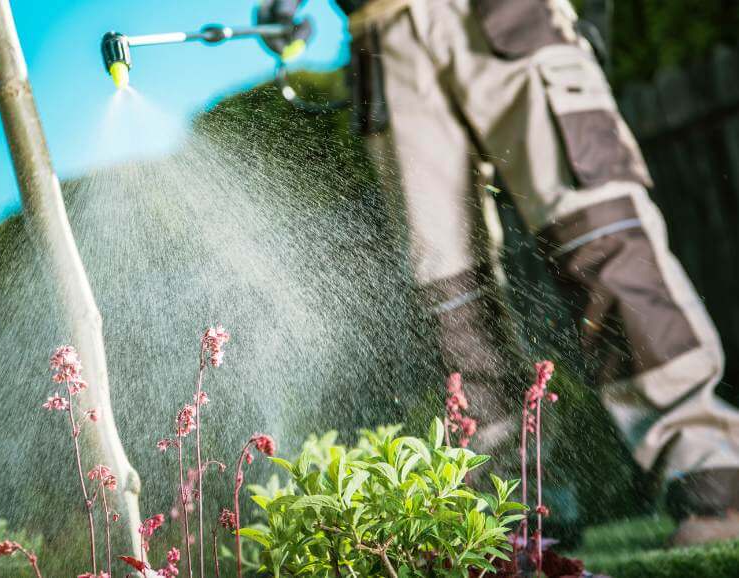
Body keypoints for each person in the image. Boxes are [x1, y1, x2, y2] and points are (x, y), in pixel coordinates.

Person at [257, 0, 739, 544]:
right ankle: (521, 518)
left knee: (600, 238)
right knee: (450, 299)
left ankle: (713, 480)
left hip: (512, 17)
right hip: (385, 44)